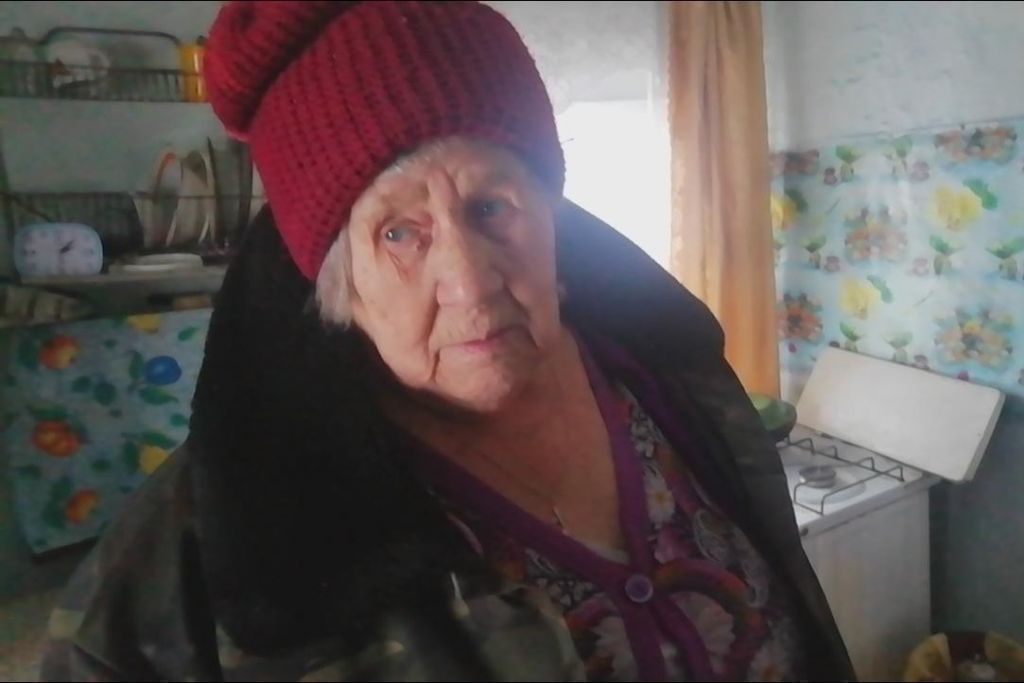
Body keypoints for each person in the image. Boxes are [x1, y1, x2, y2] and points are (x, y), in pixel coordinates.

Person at [40, 2, 854, 681]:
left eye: (492, 207)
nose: (469, 281)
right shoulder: (207, 544)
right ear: (338, 285)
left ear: (554, 222)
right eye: (399, 232)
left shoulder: (669, 376)